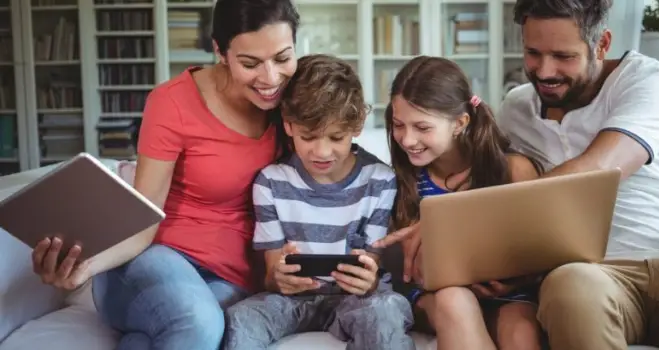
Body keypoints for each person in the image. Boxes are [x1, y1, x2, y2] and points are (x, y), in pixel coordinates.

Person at [28, 1, 301, 349]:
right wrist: (85, 267)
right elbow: (144, 218)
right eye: (250, 63)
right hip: (153, 260)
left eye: (282, 58)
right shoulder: (172, 102)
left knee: (214, 333)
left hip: (231, 279)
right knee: (198, 323)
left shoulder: (293, 101)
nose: (270, 79)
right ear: (219, 50)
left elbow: (339, 154)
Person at [497, 1, 659, 349]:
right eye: (533, 52)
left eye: (563, 56)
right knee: (570, 288)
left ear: (602, 44)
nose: (544, 71)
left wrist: (490, 211)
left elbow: (599, 170)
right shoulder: (515, 109)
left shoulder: (645, 78)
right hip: (590, 276)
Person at [223, 54, 415, 350]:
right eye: (309, 137)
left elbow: (372, 264)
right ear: (288, 126)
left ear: (357, 126)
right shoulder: (271, 182)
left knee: (385, 310)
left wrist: (369, 280)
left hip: (359, 300)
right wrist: (280, 278)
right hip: (292, 301)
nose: (322, 152)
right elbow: (272, 274)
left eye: (336, 137)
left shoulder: (379, 180)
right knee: (241, 319)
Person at [373, 56, 544, 350]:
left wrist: (514, 279)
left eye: (422, 127)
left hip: (507, 293)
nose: (407, 139)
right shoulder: (406, 181)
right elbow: (416, 268)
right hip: (435, 296)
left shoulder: (512, 170)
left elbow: (540, 250)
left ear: (459, 123)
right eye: (398, 124)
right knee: (455, 300)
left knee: (521, 334)